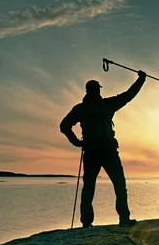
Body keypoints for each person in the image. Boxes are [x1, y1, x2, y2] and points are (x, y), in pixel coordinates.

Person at [60, 71, 146, 227]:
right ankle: (124, 220)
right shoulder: (107, 104)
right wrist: (141, 79)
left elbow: (64, 126)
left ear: (87, 91)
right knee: (119, 185)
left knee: (89, 188)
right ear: (97, 90)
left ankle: (86, 223)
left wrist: (77, 143)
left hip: (91, 151)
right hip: (108, 151)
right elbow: (128, 95)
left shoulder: (80, 109)